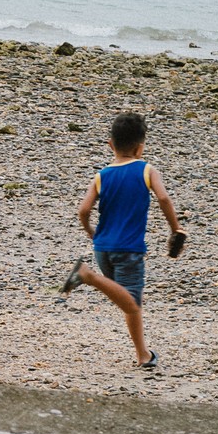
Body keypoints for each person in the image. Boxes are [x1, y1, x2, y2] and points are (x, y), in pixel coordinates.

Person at [59, 111, 186, 370]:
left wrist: (90, 231)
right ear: (141, 147)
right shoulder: (147, 170)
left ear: (110, 144)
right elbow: (163, 199)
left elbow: (83, 210)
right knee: (132, 302)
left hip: (102, 247)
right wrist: (176, 228)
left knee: (128, 303)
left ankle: (143, 354)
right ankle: (88, 276)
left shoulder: (102, 175)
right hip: (128, 249)